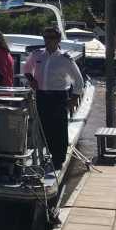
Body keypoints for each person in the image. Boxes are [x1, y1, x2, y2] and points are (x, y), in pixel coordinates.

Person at [23, 26, 84, 171]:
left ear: (58, 39)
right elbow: (26, 68)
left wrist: (74, 98)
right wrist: (31, 79)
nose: (48, 41)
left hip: (58, 97)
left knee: (59, 129)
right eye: (46, 37)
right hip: (41, 96)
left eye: (51, 38)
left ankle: (58, 160)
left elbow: (79, 80)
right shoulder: (37, 55)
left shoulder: (65, 58)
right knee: (43, 127)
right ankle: (44, 156)